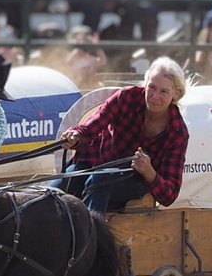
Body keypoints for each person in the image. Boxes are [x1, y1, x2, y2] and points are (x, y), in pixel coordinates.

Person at [55, 57, 190, 214]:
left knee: (100, 180)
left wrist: (149, 172)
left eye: (164, 91)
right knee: (53, 193)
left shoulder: (178, 134)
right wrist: (75, 136)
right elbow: (94, 125)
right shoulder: (126, 98)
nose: (154, 96)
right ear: (145, 84)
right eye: (152, 87)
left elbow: (169, 195)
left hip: (131, 181)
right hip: (93, 165)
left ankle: (92, 235)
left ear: (176, 95)